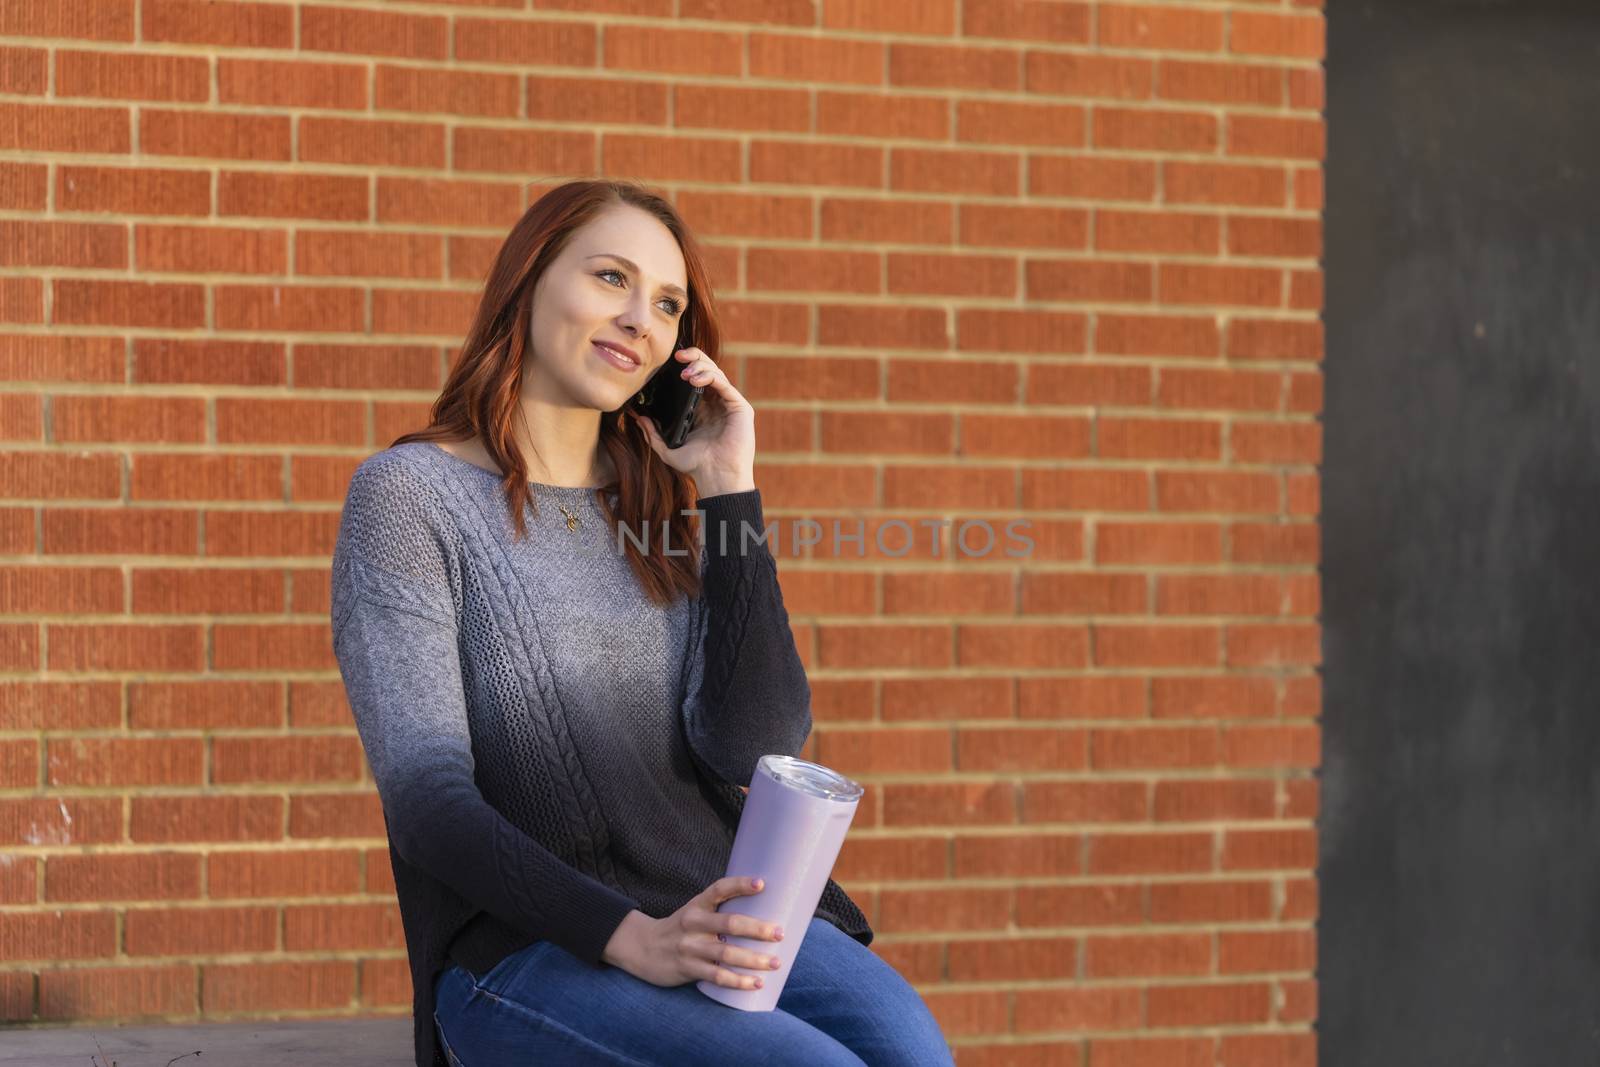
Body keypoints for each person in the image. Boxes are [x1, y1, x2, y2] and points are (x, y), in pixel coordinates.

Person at [329, 179, 955, 1066]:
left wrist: (729, 488)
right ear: (530, 278)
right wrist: (631, 936)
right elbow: (428, 801)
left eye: (667, 304)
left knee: (912, 1055)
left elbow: (755, 745)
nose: (640, 319)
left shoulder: (653, 511)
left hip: (714, 906)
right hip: (526, 949)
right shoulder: (409, 497)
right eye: (611, 278)